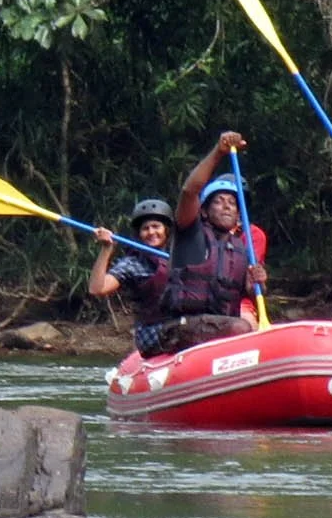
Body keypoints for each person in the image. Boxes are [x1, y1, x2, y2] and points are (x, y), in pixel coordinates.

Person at [151, 130, 269, 353]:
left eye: (232, 203)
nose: (226, 206)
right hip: (182, 327)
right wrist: (219, 151)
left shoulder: (243, 249)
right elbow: (189, 191)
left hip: (221, 329)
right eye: (219, 202)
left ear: (238, 215)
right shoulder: (191, 232)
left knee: (243, 328)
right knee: (241, 328)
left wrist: (258, 283)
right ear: (204, 211)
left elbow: (250, 293)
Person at [88, 198, 174, 357]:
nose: (151, 232)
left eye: (156, 226)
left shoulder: (181, 256)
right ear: (139, 234)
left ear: (166, 230)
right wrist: (106, 249)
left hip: (181, 325)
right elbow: (97, 288)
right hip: (153, 332)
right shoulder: (133, 263)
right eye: (145, 228)